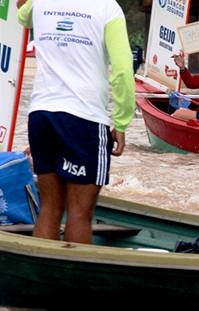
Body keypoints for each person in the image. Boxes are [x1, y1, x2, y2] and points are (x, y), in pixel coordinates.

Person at [17, 0, 135, 244]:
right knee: (80, 214)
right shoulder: (107, 8)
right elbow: (123, 71)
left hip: (41, 114)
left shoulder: (39, 3)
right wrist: (122, 122)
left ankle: (42, 276)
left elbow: (21, 15)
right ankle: (71, 278)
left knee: (50, 207)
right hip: (85, 119)